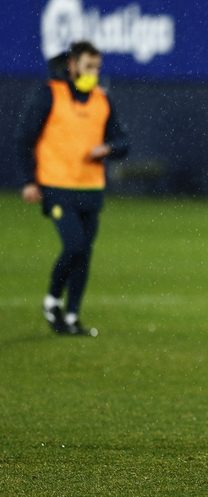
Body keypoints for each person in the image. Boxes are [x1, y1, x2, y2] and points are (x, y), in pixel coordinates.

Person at [13, 41, 130, 336]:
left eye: (97, 68)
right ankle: (53, 300)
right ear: (72, 65)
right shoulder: (50, 94)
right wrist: (29, 180)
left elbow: (122, 141)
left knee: (84, 254)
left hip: (90, 188)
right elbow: (24, 139)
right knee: (74, 245)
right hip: (56, 186)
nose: (93, 73)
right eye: (88, 66)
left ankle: (72, 316)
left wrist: (108, 148)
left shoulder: (101, 99)